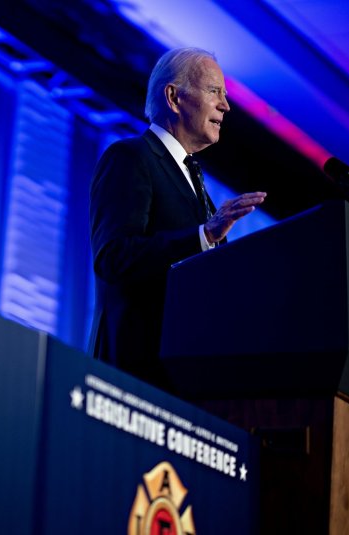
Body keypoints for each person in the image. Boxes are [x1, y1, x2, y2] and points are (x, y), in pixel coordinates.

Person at [88, 47, 266, 388]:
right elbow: (113, 257)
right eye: (214, 91)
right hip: (132, 376)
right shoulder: (130, 157)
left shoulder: (197, 186)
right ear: (174, 97)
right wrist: (203, 236)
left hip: (186, 381)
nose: (225, 106)